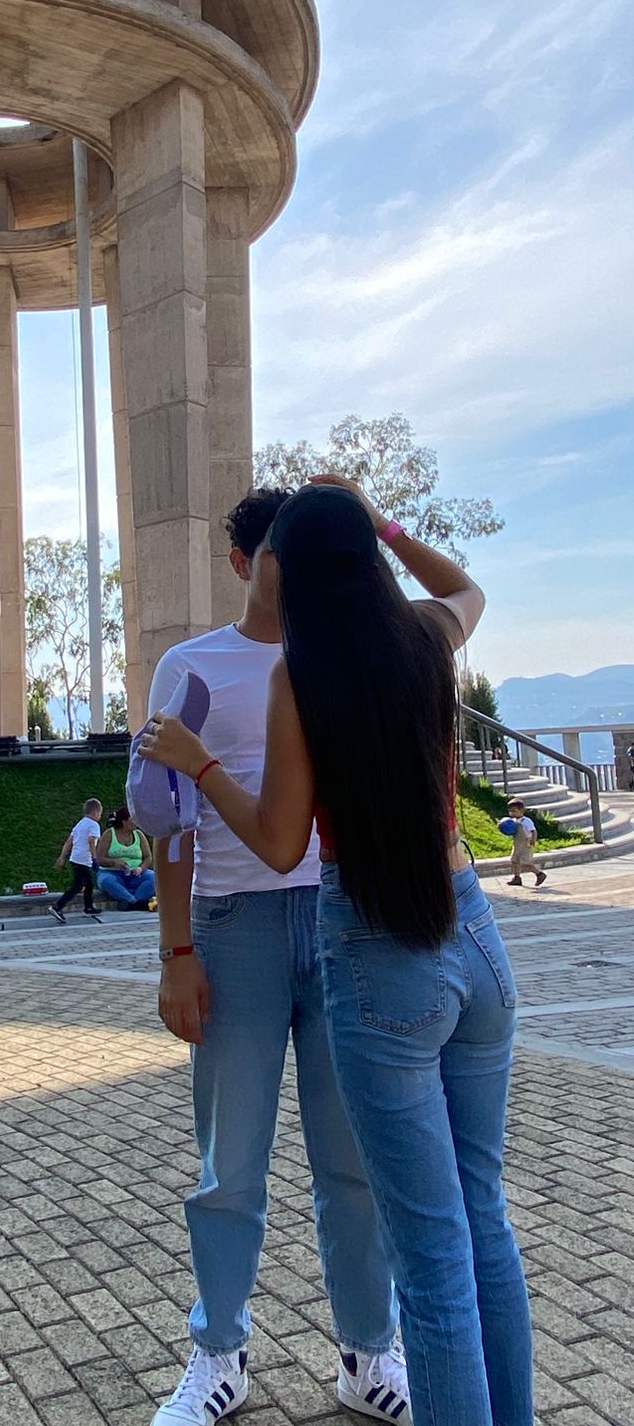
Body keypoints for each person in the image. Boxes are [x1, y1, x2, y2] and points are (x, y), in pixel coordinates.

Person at [142, 478, 534, 1426]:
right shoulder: (423, 637)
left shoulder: (303, 672)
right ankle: (225, 1351)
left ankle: (370, 1353)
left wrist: (201, 762)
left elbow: (282, 842)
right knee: (478, 1223)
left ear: (296, 567)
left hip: (365, 943)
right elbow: (468, 591)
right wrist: (382, 521)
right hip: (461, 930)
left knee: (421, 1247)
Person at [145, 488, 410, 1426]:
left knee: (355, 1160)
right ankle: (219, 1353)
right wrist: (176, 950)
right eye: (273, 555)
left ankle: (368, 1352)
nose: (290, 571)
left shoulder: (335, 651)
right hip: (233, 929)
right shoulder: (190, 665)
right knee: (230, 1166)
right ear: (242, 564)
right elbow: (167, 818)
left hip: (340, 919)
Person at [52, 799, 103, 924]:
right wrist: (95, 858)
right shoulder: (94, 825)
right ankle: (57, 907)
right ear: (95, 812)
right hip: (84, 860)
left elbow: (69, 841)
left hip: (75, 859)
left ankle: (88, 907)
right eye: (100, 813)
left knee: (89, 884)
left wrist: (62, 857)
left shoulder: (80, 824)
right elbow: (91, 841)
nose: (100, 816)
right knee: (78, 886)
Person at [95, 807, 156, 909]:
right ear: (124, 822)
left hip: (135, 874)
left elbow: (148, 857)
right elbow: (100, 859)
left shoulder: (139, 835)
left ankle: (131, 902)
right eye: (133, 820)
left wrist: (140, 869)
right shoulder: (109, 834)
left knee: (154, 878)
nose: (136, 822)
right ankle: (135, 902)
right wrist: (114, 862)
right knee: (106, 881)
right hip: (112, 872)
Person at [506, 798, 546, 888]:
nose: (512, 813)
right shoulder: (514, 821)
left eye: (514, 811)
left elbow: (533, 831)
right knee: (515, 861)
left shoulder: (526, 821)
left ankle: (539, 874)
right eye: (510, 811)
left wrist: (533, 840)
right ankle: (517, 878)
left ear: (521, 810)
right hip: (517, 845)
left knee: (525, 863)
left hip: (526, 845)